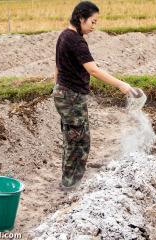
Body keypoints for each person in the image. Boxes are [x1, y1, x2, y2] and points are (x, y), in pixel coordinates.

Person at [53, 1, 137, 188]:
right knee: (78, 141)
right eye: (92, 21)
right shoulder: (76, 41)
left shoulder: (64, 36)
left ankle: (72, 180)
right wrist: (121, 84)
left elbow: (59, 66)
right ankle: (69, 184)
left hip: (64, 93)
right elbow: (93, 71)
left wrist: (56, 87)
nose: (94, 26)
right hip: (71, 96)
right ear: (81, 18)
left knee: (75, 138)